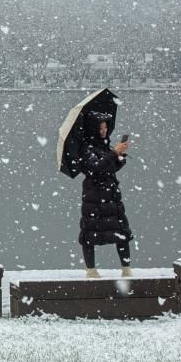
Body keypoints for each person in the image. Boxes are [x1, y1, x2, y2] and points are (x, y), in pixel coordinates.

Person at [78, 110, 133, 278]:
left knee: (121, 232)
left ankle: (126, 269)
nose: (104, 130)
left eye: (105, 127)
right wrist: (114, 153)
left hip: (111, 195)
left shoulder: (103, 146)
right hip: (94, 196)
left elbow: (110, 168)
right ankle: (91, 271)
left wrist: (120, 157)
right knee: (90, 234)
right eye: (101, 127)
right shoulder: (85, 148)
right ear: (94, 129)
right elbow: (95, 169)